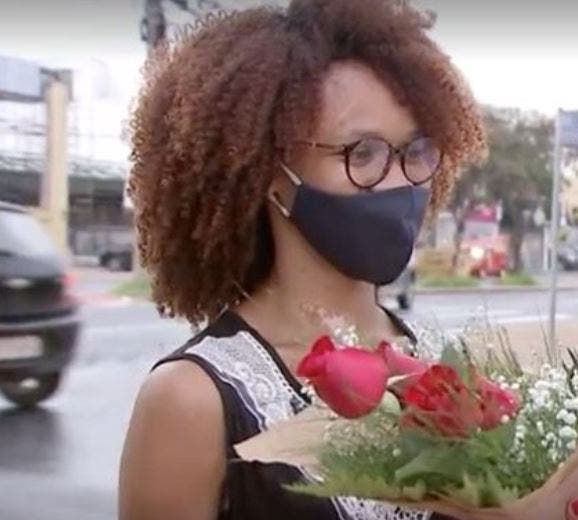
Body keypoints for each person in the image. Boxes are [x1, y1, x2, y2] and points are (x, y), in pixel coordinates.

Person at [117, 1, 487, 518]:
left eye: (417, 151)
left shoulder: (445, 365)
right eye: (363, 154)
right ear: (269, 173)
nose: (401, 181)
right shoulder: (193, 401)